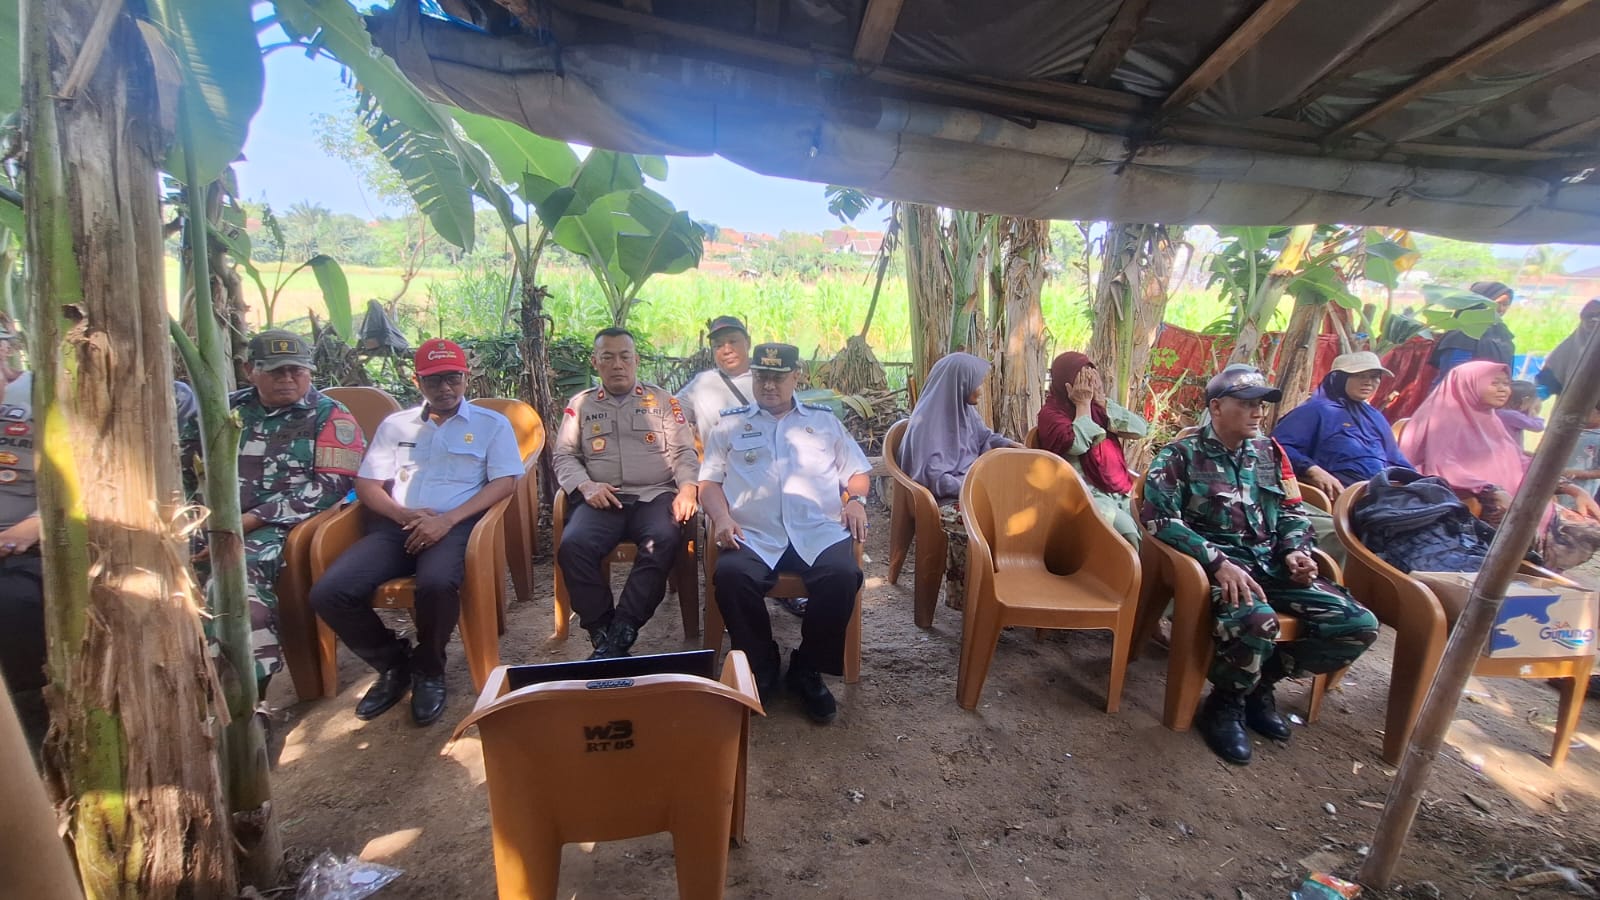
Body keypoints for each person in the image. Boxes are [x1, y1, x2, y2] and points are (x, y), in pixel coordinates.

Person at [1141, 365, 1379, 766]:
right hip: (1220, 569)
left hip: (1273, 564)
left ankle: (1261, 684)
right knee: (1257, 622)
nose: (1259, 413)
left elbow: (1291, 510)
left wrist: (1296, 550)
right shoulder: (1182, 455)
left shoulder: (1269, 453)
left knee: (1357, 624)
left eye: (1262, 405)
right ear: (1217, 407)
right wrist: (1217, 562)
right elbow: (1159, 519)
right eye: (1247, 404)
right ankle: (1225, 703)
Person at [310, 339, 522, 725]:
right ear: (417, 381)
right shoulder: (396, 426)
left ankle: (429, 669)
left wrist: (448, 520)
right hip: (398, 525)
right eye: (434, 380)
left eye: (453, 378)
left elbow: (504, 482)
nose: (445, 388)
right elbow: (368, 483)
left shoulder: (491, 424)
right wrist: (401, 513)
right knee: (330, 592)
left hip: (454, 525)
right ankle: (394, 664)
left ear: (466, 377)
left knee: (437, 584)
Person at [181, 330, 367, 698]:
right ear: (249, 370)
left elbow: (331, 486)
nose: (288, 379)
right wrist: (192, 520)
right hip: (208, 522)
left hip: (280, 526)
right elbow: (184, 468)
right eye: (276, 371)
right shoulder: (222, 412)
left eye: (297, 371)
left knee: (232, 584)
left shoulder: (330, 416)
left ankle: (246, 698)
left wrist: (252, 520)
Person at [699, 343, 871, 724]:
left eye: (778, 377)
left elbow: (857, 471)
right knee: (731, 576)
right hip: (753, 533)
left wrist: (856, 501)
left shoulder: (824, 422)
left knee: (843, 576)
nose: (768, 385)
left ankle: (807, 668)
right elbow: (708, 483)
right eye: (761, 376)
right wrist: (722, 518)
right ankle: (761, 663)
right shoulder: (729, 425)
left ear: (797, 377)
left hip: (818, 530)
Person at [554, 327, 699, 660]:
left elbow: (683, 452)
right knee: (573, 546)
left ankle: (623, 629)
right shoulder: (581, 405)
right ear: (595, 362)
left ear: (636, 360)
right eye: (608, 357)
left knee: (662, 540)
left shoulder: (663, 402)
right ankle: (602, 630)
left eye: (624, 356)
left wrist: (688, 487)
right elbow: (564, 456)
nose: (617, 364)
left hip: (654, 495)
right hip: (602, 497)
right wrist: (585, 485)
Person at [1399, 360, 1600, 570]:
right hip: (1473, 505)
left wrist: (1573, 489)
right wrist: (1492, 490)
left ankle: (1533, 573)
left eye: (1506, 383)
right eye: (1495, 383)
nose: (1503, 389)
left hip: (1515, 501)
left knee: (1588, 530)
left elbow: (1518, 461)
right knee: (1525, 538)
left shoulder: (1492, 421)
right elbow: (1441, 466)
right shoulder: (1443, 419)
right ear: (1469, 384)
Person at [898, 352, 1019, 608]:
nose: (980, 391)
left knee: (1020, 517)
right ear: (959, 384)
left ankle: (1009, 593)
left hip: (969, 490)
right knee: (981, 523)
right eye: (976, 384)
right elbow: (933, 478)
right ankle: (971, 601)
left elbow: (985, 438)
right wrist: (975, 488)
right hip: (940, 500)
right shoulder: (928, 424)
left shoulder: (965, 410)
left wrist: (1009, 445)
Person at [1036, 351, 1147, 544]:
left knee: (1149, 525)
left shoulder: (1099, 408)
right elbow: (1077, 445)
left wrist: (1102, 401)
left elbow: (1140, 429)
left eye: (1091, 377)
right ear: (1066, 383)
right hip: (1079, 492)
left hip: (1116, 489)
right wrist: (1083, 405)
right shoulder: (1051, 414)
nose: (1088, 384)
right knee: (1126, 533)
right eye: (1081, 378)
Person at [1274, 351, 1413, 496]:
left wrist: (1418, 482)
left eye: (1374, 376)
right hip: (1343, 495)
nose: (1368, 382)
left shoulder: (1375, 417)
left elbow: (1396, 459)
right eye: (1359, 375)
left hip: (1382, 492)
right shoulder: (1316, 411)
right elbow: (1277, 446)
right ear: (1339, 378)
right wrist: (1312, 469)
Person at [0, 325, 45, 747]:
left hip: (35, 549)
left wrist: (34, 526)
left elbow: (91, 484)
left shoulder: (42, 394)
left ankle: (33, 734)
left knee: (14, 606)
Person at [676, 315, 754, 435]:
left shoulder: (767, 380)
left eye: (733, 341)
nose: (727, 350)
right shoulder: (703, 383)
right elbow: (669, 414)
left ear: (748, 342)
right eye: (718, 345)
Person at [1428, 281, 1515, 381]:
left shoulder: (1503, 333)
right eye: (1497, 303)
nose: (1501, 309)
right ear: (1480, 302)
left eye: (1505, 304)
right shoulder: (1461, 333)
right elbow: (1456, 375)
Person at [1536, 298, 1600, 398]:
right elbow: (1545, 384)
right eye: (1589, 316)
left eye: (1598, 317)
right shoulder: (1568, 349)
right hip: (1573, 406)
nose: (1594, 321)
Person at [1497, 380, 1544, 450]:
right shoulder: (1512, 415)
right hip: (1509, 452)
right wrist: (1533, 412)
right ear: (1525, 400)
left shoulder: (1497, 411)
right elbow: (1538, 427)